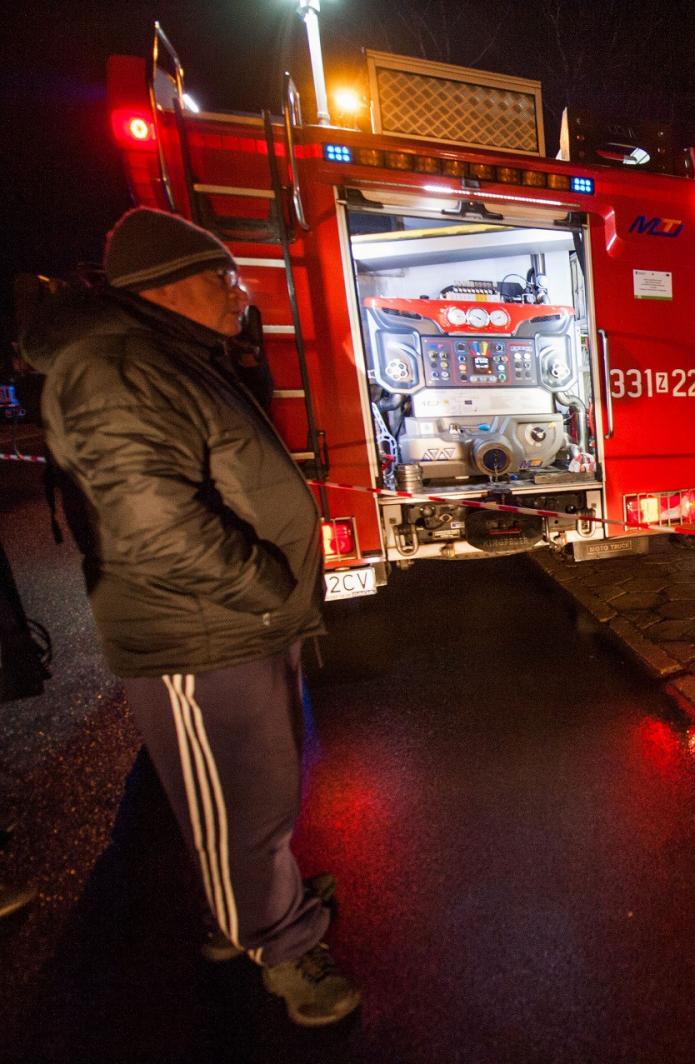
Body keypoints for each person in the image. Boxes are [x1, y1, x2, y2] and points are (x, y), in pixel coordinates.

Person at [21, 207, 360, 1027]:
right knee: (237, 803)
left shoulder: (160, 356)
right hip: (201, 630)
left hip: (230, 623)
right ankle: (276, 948)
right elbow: (158, 524)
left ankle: (243, 907)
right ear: (173, 285)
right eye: (227, 277)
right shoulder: (118, 368)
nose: (242, 293)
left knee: (260, 797)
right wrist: (272, 586)